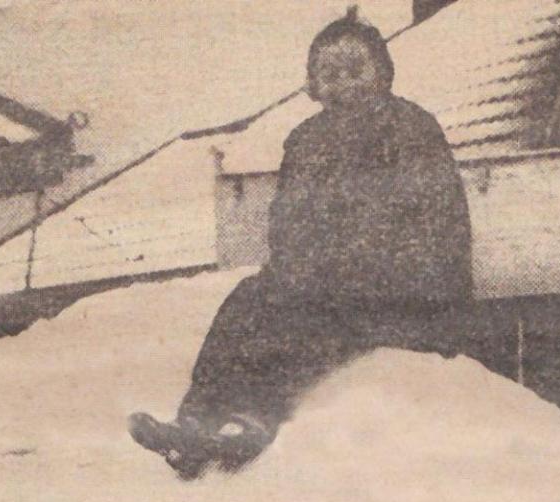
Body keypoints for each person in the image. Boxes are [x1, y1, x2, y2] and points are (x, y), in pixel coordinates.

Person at [129, 8, 473, 478]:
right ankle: (195, 420)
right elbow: (287, 218)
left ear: (382, 73)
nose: (344, 84)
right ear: (313, 83)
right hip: (327, 277)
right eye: (329, 74)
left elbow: (437, 218)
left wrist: (369, 268)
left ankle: (253, 418)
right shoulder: (305, 140)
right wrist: (297, 266)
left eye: (356, 70)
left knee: (307, 315)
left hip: (406, 287)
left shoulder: (410, 128)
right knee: (248, 299)